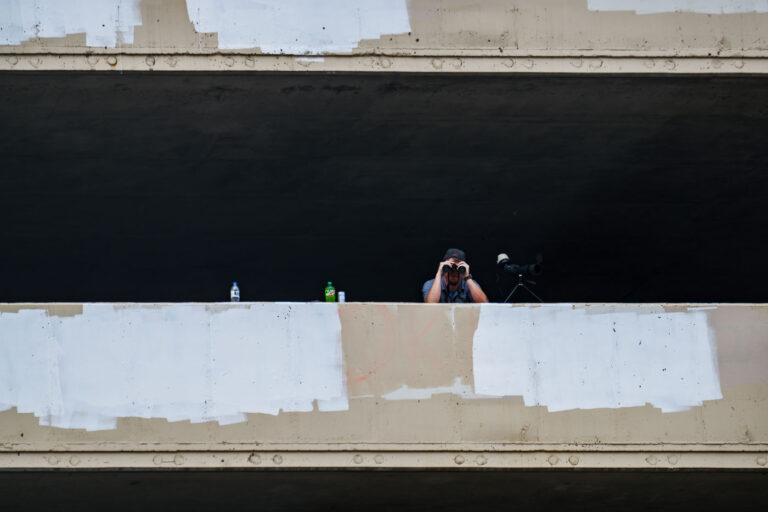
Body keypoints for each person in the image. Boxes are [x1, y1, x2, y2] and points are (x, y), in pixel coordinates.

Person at [423, 248, 489, 303]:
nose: (454, 272)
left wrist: (467, 277)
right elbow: (430, 306)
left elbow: (484, 305)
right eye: (450, 267)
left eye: (458, 268)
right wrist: (439, 273)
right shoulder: (431, 284)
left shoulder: (470, 284)